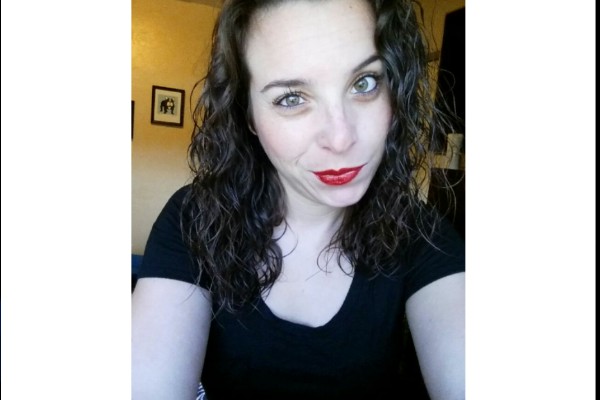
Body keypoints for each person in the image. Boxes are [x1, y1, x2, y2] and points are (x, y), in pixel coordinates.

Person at [132, 0, 465, 399]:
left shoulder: (423, 235)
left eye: (364, 83)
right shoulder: (194, 218)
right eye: (291, 98)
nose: (340, 138)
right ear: (248, 115)